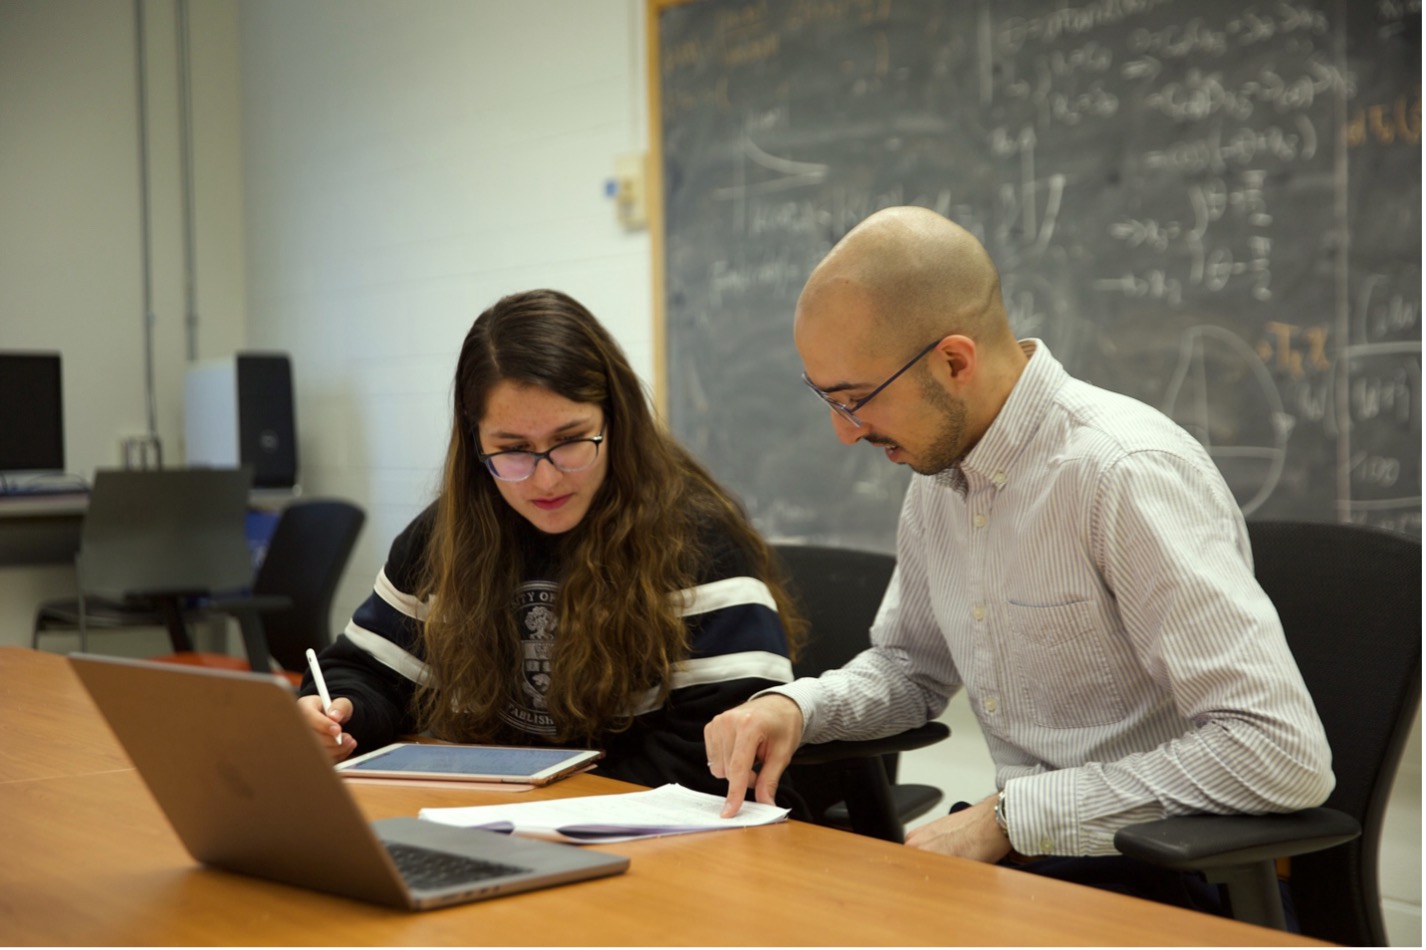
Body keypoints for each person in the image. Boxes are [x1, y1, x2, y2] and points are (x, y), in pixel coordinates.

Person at [704, 206, 1333, 910]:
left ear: (954, 361)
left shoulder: (1122, 472)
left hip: (1169, 869)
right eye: (827, 399)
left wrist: (1010, 818)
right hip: (1045, 857)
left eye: (856, 400)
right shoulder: (940, 477)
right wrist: (799, 707)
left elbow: (1278, 753)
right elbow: (912, 669)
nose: (844, 434)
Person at [299, 289, 804, 795]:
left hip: (658, 834)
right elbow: (366, 671)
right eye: (513, 450)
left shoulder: (697, 541)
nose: (546, 481)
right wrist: (340, 713)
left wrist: (549, 802)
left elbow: (725, 748)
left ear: (615, 421)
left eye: (570, 441)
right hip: (499, 818)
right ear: (476, 444)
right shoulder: (444, 539)